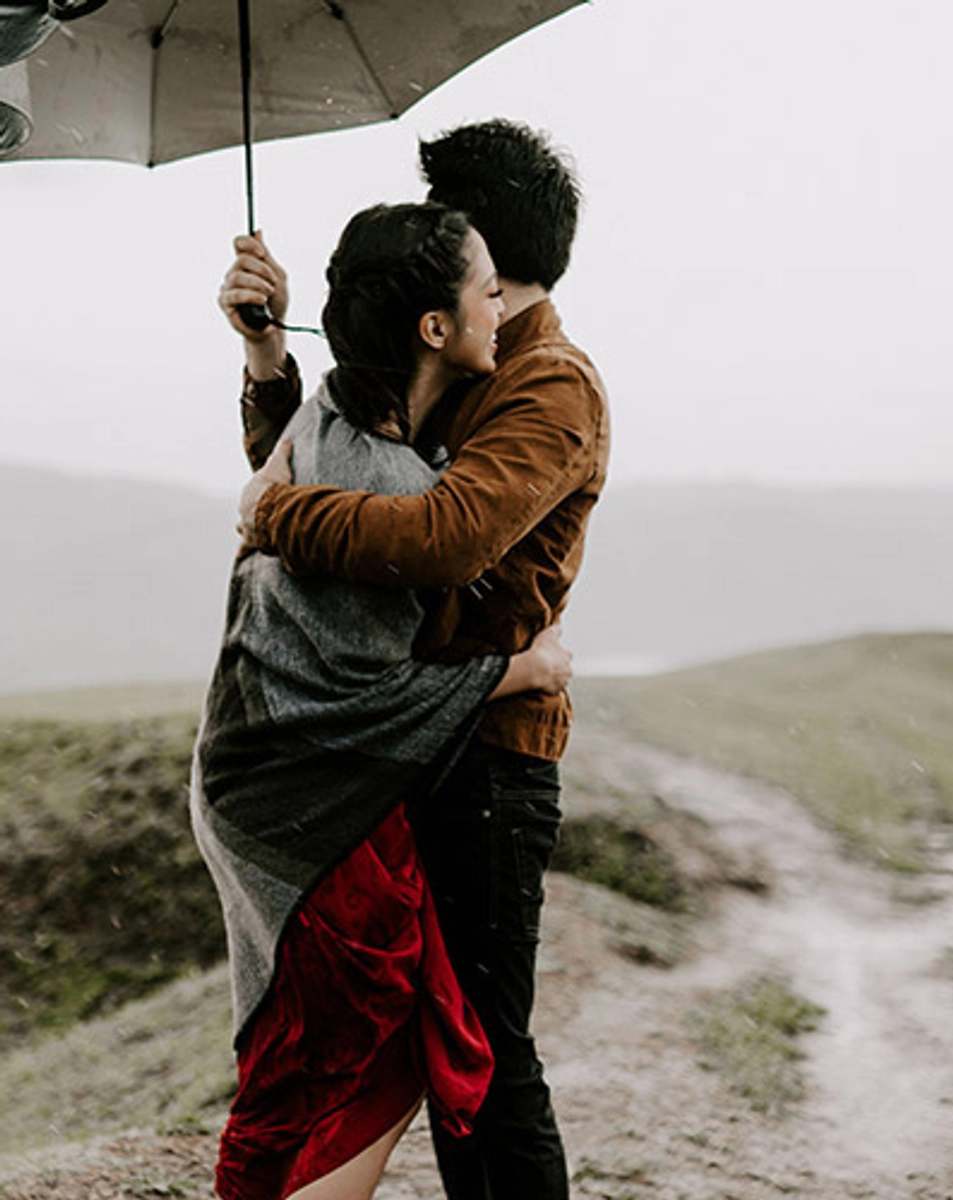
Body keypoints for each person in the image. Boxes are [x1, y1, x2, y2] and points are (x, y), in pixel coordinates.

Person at [227, 119, 609, 1200]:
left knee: (485, 1058)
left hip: (487, 756)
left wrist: (275, 514)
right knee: (422, 1049)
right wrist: (267, 359)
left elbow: (437, 537)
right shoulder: (449, 353)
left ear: (483, 244)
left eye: (449, 224)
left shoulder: (551, 385)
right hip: (404, 739)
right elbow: (342, 476)